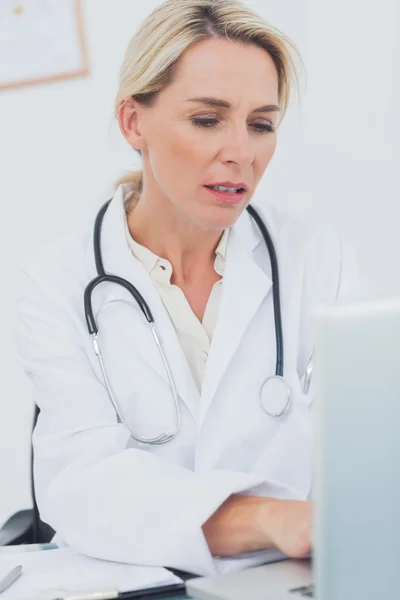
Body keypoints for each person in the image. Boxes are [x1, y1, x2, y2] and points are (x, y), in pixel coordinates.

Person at [16, 0, 358, 576]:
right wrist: (271, 517)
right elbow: (81, 484)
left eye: (261, 124)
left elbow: (365, 453)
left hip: (293, 581)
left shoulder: (316, 260)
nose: (242, 153)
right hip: (130, 582)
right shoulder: (56, 284)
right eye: (207, 120)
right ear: (133, 123)